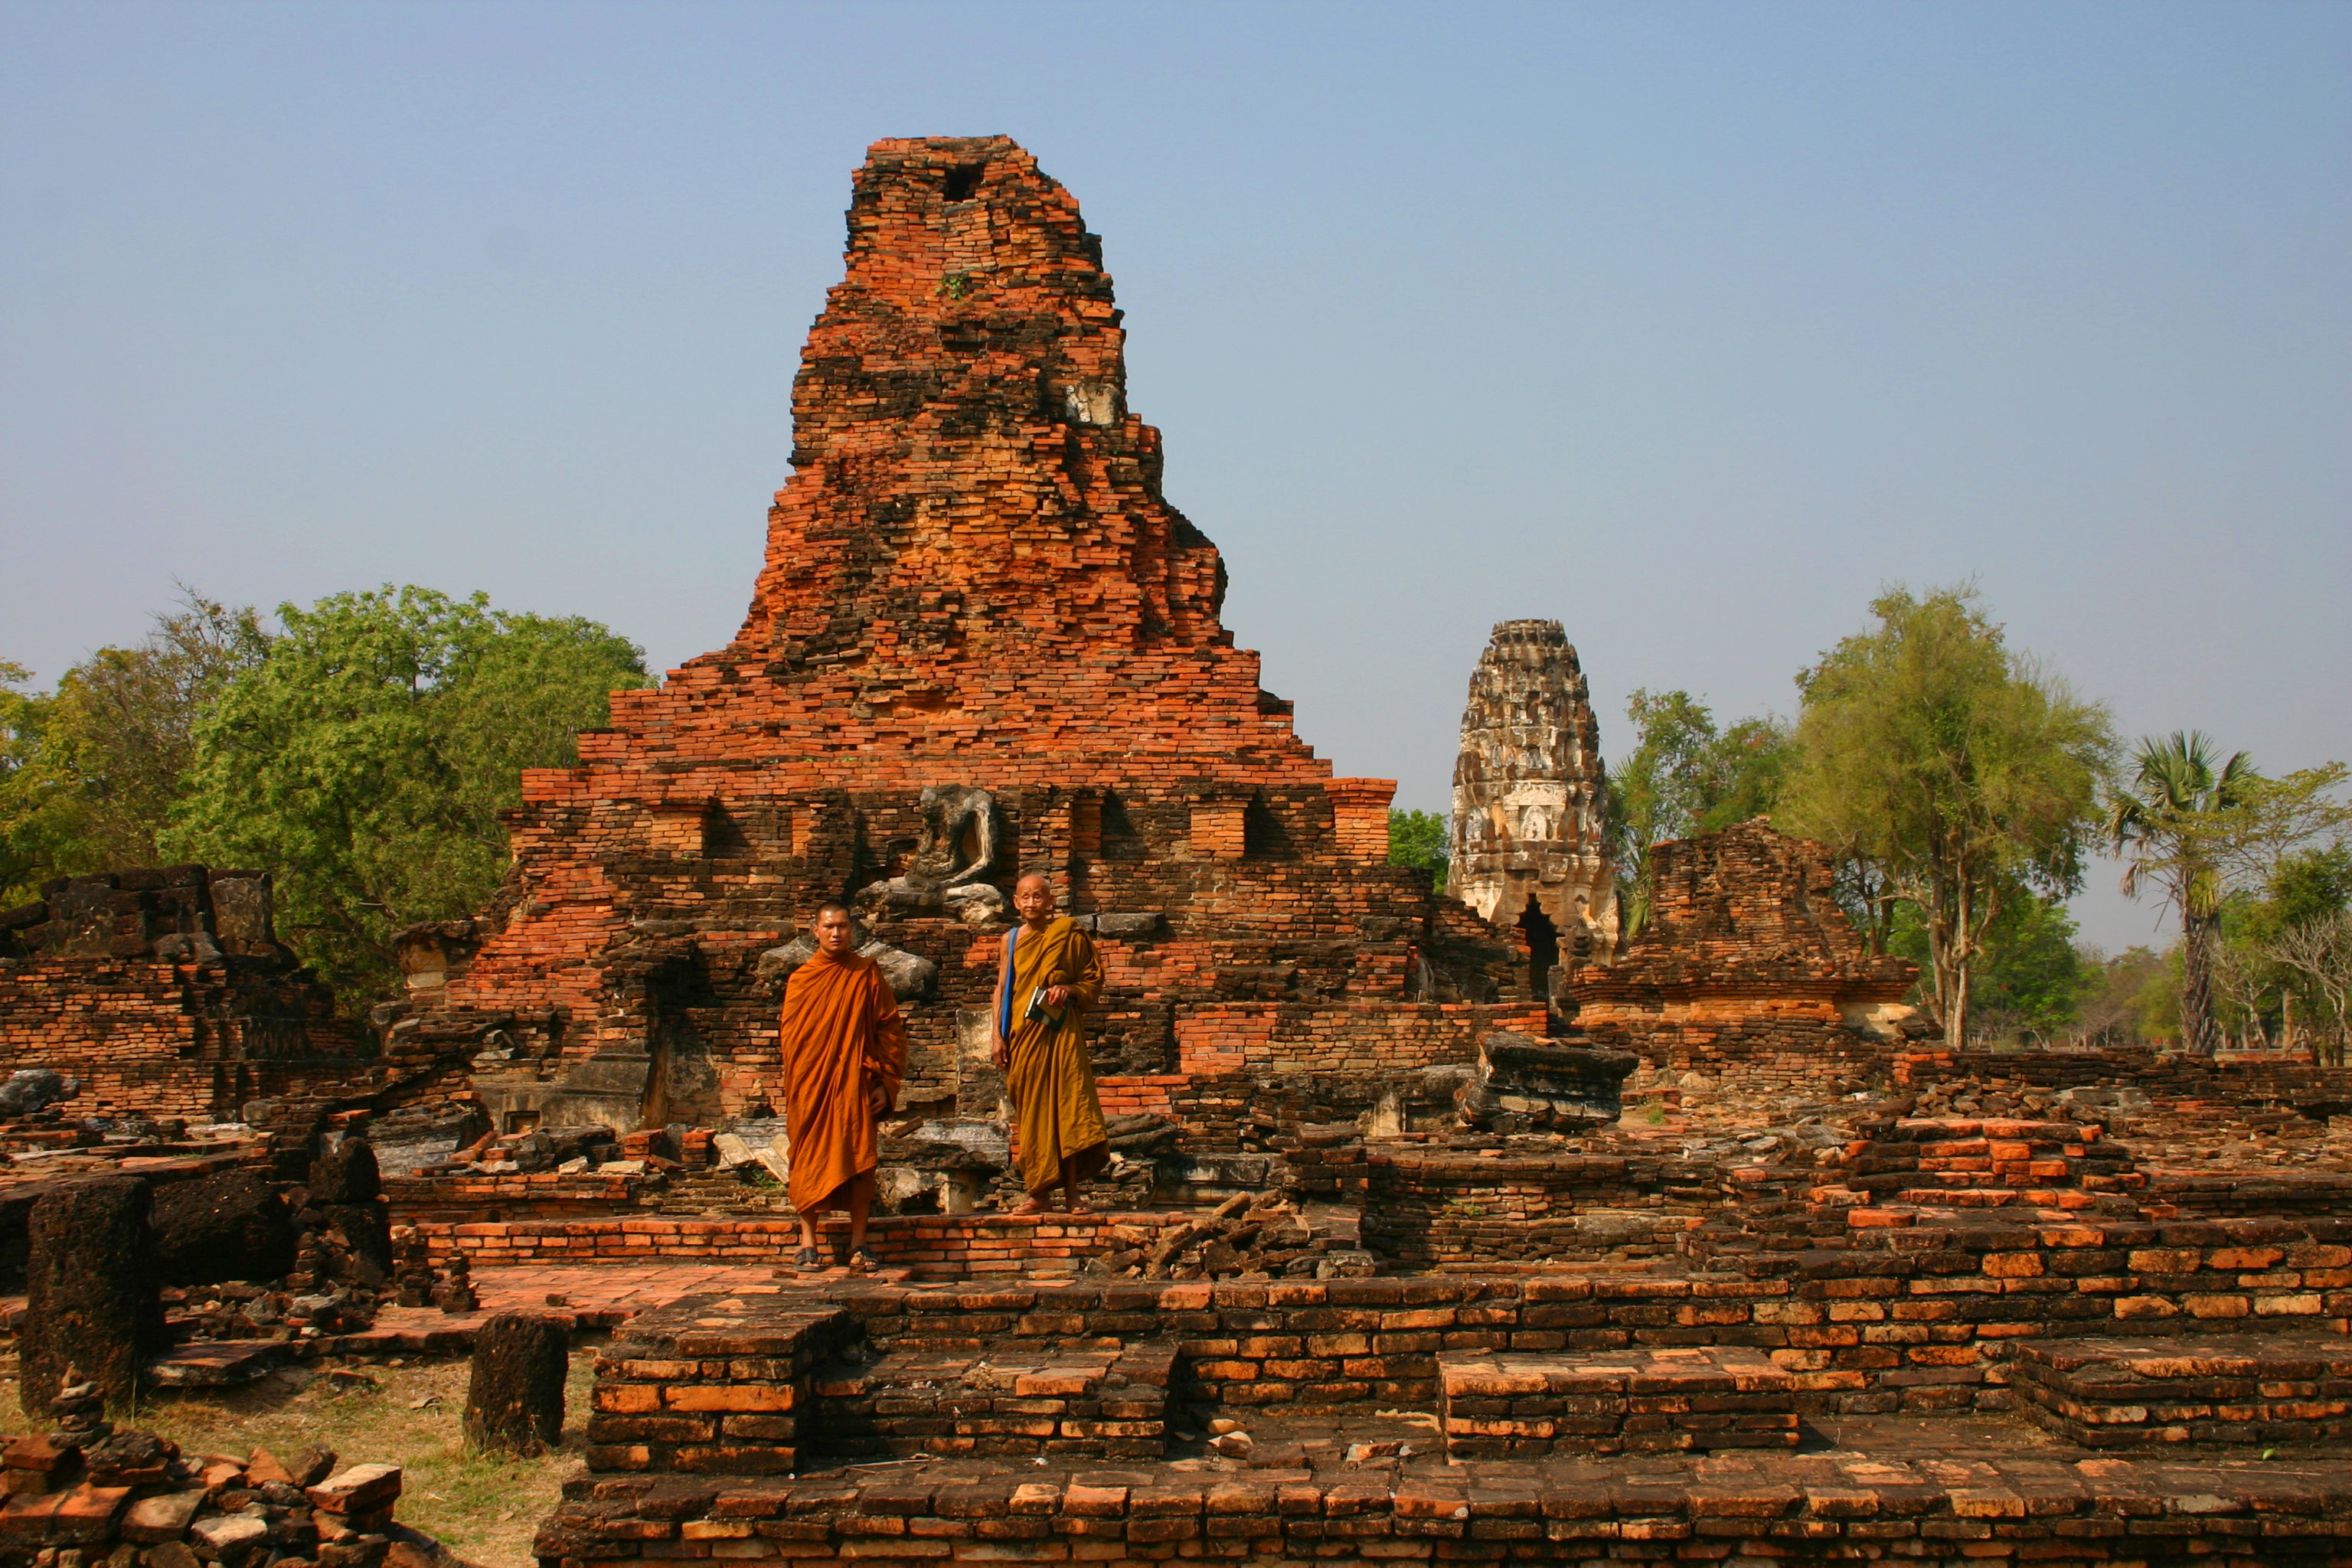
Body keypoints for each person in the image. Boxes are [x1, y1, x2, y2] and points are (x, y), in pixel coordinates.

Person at [779, 900, 906, 1272]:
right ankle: (808, 1242)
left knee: (860, 1159)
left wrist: (884, 1081)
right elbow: (791, 1039)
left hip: (856, 1082)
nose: (836, 933)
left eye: (843, 927)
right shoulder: (801, 979)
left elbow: (889, 1029)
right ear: (814, 931)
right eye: (829, 927)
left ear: (852, 930)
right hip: (812, 1085)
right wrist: (803, 1081)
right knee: (806, 1155)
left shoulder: (866, 973)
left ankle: (859, 1243)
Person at [991, 872, 1109, 1213]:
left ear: (1050, 901)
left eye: (1038, 896)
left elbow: (1092, 980)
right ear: (1015, 902)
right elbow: (1003, 988)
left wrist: (1069, 990)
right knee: (1031, 1114)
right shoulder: (1010, 940)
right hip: (1022, 1036)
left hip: (1061, 1034)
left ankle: (1072, 1194)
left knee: (1068, 1109)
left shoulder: (1067, 933)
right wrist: (996, 1035)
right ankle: (1039, 1192)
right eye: (1025, 897)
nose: (1031, 903)